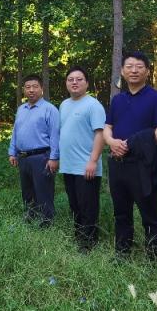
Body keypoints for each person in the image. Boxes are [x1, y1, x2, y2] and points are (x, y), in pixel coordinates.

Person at [103, 51, 157, 259]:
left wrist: (132, 143)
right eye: (129, 67)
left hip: (143, 164)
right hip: (117, 164)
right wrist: (112, 142)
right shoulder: (118, 100)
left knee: (149, 214)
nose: (134, 70)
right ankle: (122, 255)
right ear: (122, 72)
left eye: (139, 67)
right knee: (121, 213)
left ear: (147, 71)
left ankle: (154, 259)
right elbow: (107, 127)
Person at [57, 66, 106, 251]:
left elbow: (100, 134)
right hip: (68, 166)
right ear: (66, 83)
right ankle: (79, 239)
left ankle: (88, 245)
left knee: (88, 207)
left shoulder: (93, 105)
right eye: (71, 79)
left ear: (86, 83)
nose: (74, 82)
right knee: (75, 206)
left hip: (86, 166)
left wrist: (93, 161)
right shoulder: (64, 105)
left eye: (79, 79)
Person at [8, 74, 60, 226]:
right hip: (23, 157)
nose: (31, 90)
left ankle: (46, 222)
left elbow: (55, 135)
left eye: (35, 87)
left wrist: (54, 158)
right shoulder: (21, 109)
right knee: (27, 191)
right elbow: (16, 132)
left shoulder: (50, 109)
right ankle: (30, 218)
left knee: (43, 191)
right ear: (23, 89)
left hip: (42, 157)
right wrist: (12, 152)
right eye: (28, 87)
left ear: (42, 89)